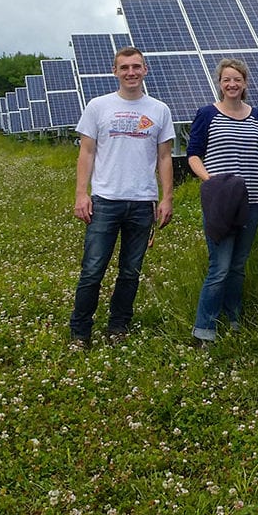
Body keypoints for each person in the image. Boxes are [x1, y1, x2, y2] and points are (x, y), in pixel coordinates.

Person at [70, 46, 174, 347]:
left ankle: (118, 326)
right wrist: (81, 193)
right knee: (93, 269)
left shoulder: (159, 110)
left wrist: (166, 198)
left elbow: (165, 157)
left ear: (145, 70)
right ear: (115, 71)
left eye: (136, 67)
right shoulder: (98, 106)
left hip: (142, 202)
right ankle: (80, 331)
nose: (131, 72)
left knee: (130, 271)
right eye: (125, 67)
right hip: (105, 200)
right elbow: (86, 152)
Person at [187, 58, 258, 346]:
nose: (232, 84)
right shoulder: (207, 114)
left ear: (245, 83)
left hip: (251, 201)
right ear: (220, 83)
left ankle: (233, 319)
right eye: (227, 79)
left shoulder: (256, 116)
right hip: (220, 201)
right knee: (220, 266)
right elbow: (193, 154)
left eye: (237, 79)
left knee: (238, 266)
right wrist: (210, 181)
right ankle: (204, 329)